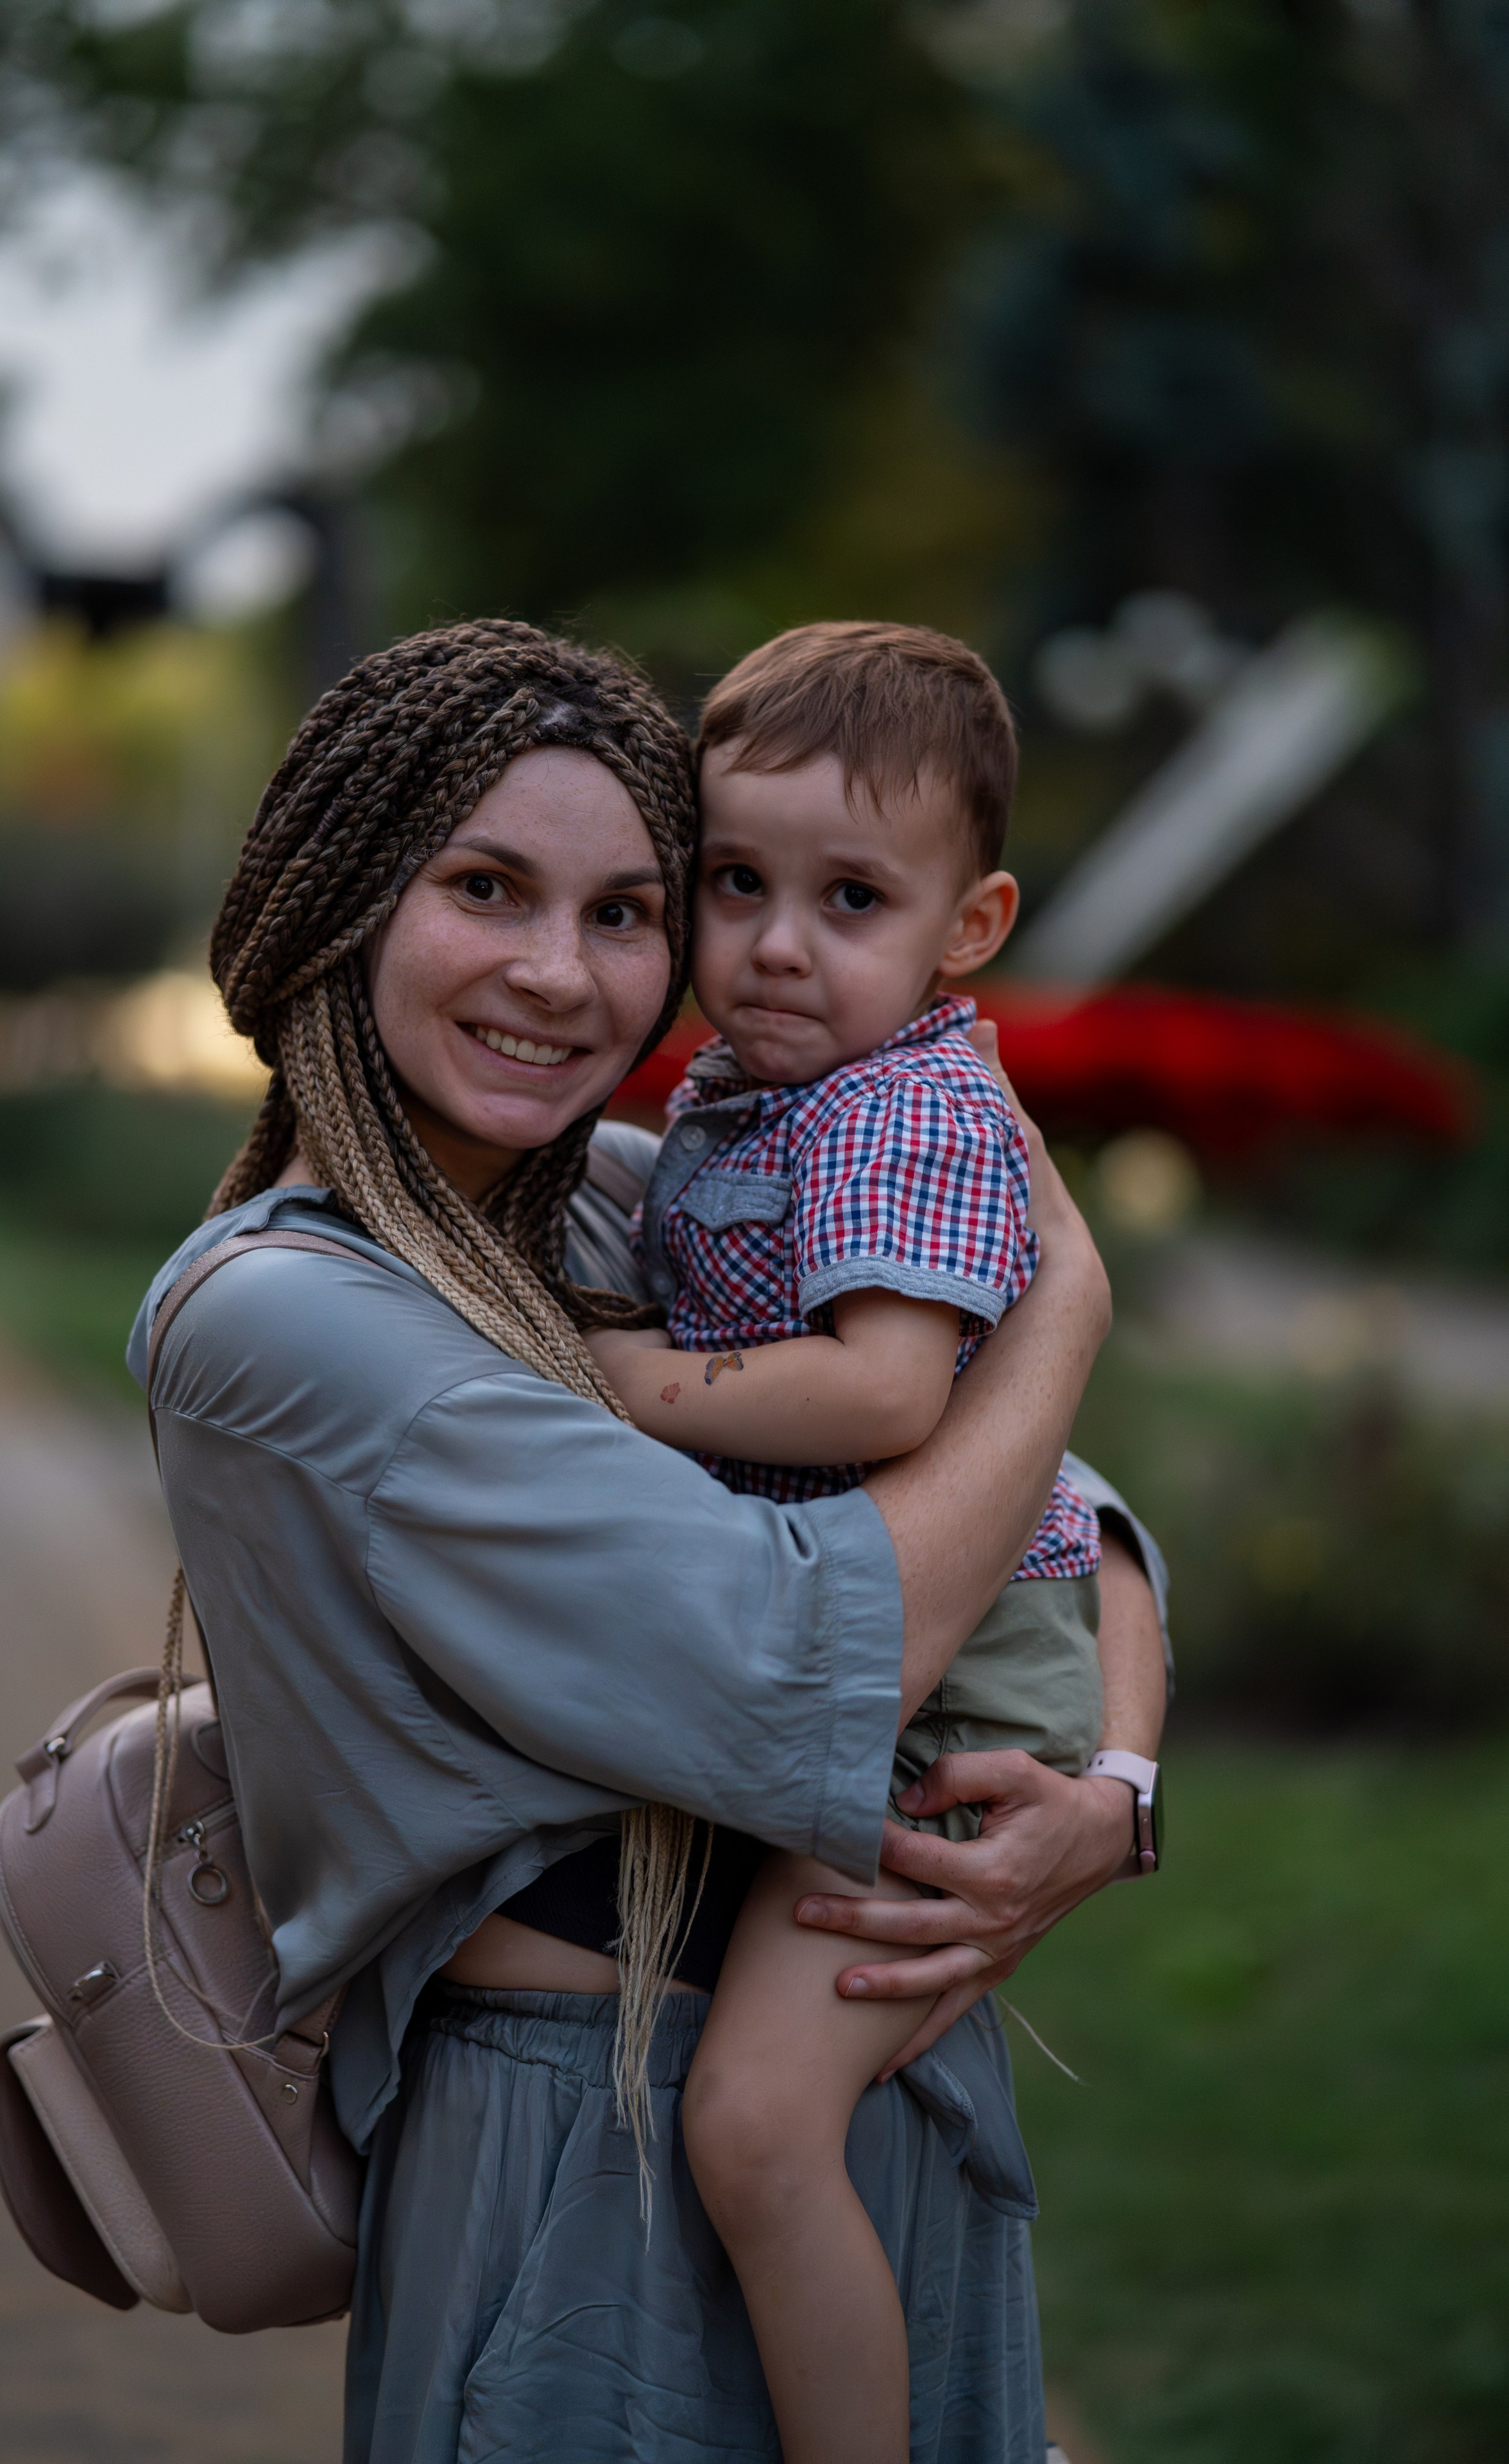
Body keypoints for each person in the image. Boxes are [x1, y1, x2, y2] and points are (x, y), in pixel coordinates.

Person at [130, 619, 1166, 2464]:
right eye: (488, 889)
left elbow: (1054, 1512)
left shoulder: (620, 1200)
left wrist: (1119, 1800)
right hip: (578, 2156)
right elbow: (811, 1652)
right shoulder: (289, 1317)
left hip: (856, 2056)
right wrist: (1073, 1301)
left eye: (622, 910)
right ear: (347, 902)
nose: (562, 971)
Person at [586, 622, 1107, 2464]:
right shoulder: (760, 1094)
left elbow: (885, 1392)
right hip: (874, 1622)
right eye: (737, 883)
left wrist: (629, 1379)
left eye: (852, 897)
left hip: (944, 1675)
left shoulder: (905, 1104)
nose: (778, 945)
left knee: (753, 2121)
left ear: (968, 929)